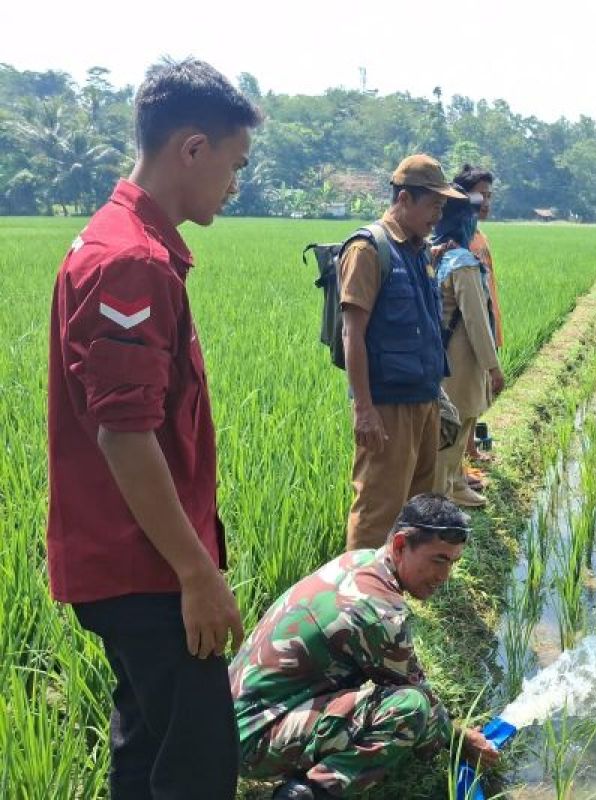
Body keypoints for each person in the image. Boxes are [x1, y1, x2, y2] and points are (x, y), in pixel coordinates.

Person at [46, 58, 260, 799]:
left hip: (138, 564)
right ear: (192, 149)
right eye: (234, 164)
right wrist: (197, 576)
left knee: (147, 752)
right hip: (147, 570)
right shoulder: (130, 261)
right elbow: (124, 436)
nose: (236, 183)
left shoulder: (126, 244)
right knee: (199, 769)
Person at [230, 494, 501, 800]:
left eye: (453, 562)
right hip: (250, 741)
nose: (444, 576)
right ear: (400, 546)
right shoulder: (378, 613)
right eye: (438, 559)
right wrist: (463, 742)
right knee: (410, 708)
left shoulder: (359, 561)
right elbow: (422, 705)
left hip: (234, 718)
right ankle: (308, 792)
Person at [341, 155, 466, 550]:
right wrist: (364, 408)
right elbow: (352, 334)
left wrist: (438, 395)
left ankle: (396, 593)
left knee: (417, 509)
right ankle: (360, 599)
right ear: (405, 199)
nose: (439, 214)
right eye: (434, 204)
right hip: (387, 407)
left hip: (423, 400)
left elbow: (425, 328)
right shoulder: (367, 249)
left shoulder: (417, 252)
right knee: (378, 510)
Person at [432, 192, 504, 507]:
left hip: (446, 357)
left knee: (457, 431)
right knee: (452, 432)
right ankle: (441, 498)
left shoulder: (439, 256)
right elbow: (476, 320)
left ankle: (455, 484)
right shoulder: (462, 262)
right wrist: (493, 366)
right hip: (458, 360)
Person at [452, 165, 502, 482]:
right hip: (465, 336)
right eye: (480, 194)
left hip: (485, 324)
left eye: (489, 195)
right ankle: (457, 470)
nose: (486, 201)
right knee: (463, 399)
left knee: (475, 396)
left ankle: (468, 451)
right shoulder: (459, 239)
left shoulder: (478, 236)